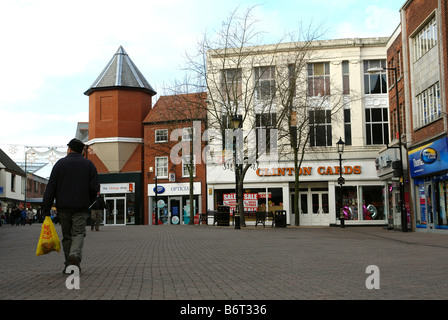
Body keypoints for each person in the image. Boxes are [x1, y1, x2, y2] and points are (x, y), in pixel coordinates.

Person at [42, 138, 99, 274]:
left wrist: (46, 208)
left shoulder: (59, 164)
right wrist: (88, 201)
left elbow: (51, 188)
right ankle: (75, 255)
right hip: (81, 206)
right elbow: (94, 188)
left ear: (69, 149)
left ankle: (69, 264)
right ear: (81, 151)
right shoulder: (89, 165)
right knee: (78, 232)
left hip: (63, 207)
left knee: (67, 236)